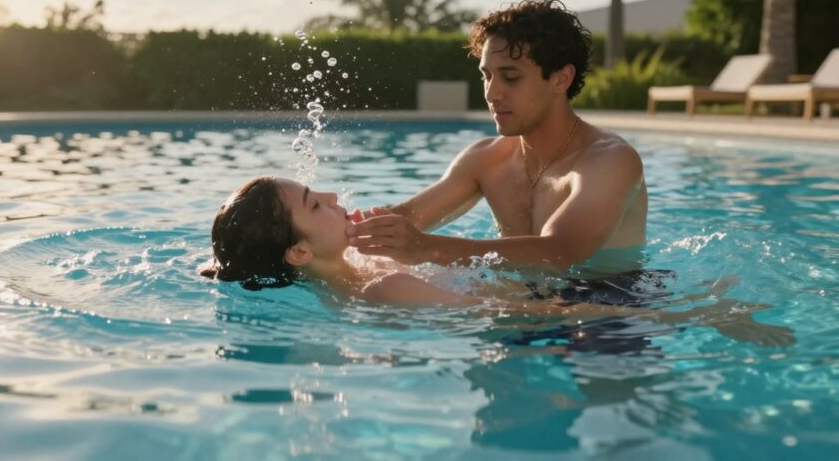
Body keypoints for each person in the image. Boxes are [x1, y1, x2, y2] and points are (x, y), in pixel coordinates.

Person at [200, 176, 794, 347]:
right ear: (299, 252)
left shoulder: (364, 279)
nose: (333, 196)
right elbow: (530, 319)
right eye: (314, 204)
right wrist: (700, 316)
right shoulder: (387, 289)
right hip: (575, 328)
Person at [346, 0, 646, 278]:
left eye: (510, 77)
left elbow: (560, 252)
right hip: (525, 306)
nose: (492, 93)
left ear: (560, 79)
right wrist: (332, 228)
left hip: (610, 310)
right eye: (486, 75)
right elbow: (409, 217)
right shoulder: (486, 159)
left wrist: (426, 248)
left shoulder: (609, 160)